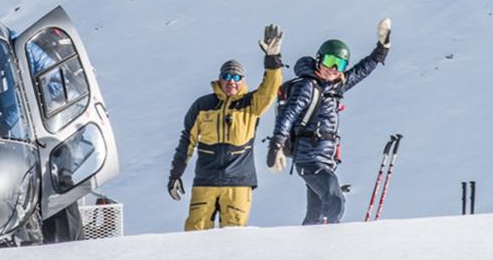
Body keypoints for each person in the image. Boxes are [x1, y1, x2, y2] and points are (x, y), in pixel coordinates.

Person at [267, 18, 391, 225]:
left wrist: (382, 49)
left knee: (315, 214)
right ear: (318, 60)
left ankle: (307, 249)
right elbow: (288, 113)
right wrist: (276, 145)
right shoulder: (307, 86)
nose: (332, 69)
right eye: (329, 62)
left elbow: (361, 71)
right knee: (334, 200)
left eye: (339, 64)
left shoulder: (335, 87)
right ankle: (330, 247)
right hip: (309, 158)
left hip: (324, 160)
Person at [167, 24, 285, 230]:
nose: (232, 81)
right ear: (220, 79)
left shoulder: (251, 104)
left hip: (239, 182)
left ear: (243, 81)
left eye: (237, 77)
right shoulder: (202, 105)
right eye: (228, 77)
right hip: (206, 181)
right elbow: (187, 141)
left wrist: (272, 58)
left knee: (234, 237)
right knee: (195, 233)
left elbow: (270, 88)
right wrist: (175, 174)